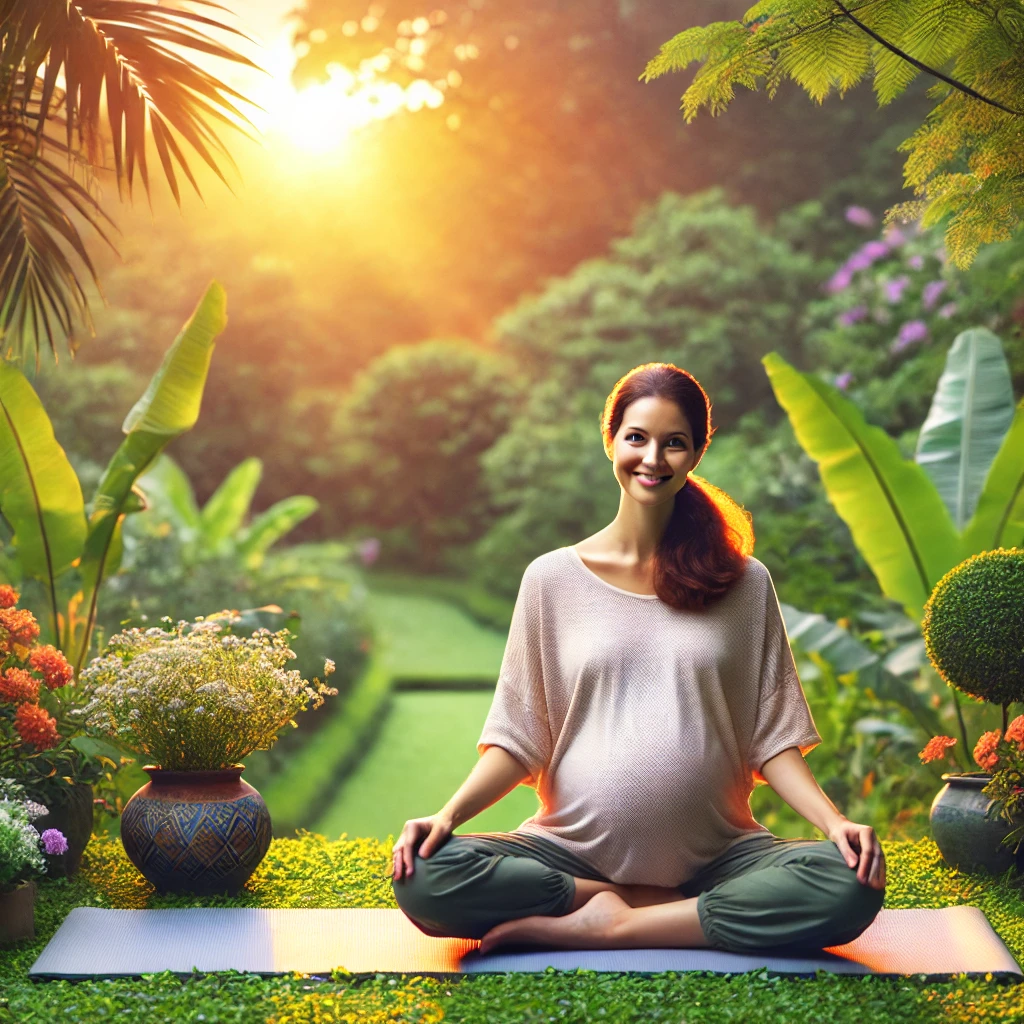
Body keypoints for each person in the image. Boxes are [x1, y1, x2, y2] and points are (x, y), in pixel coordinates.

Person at [390, 361, 887, 955]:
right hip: (567, 854)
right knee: (427, 877)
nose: (653, 458)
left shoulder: (743, 583)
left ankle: (616, 923)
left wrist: (836, 826)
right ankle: (615, 903)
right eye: (637, 438)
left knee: (846, 886)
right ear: (610, 440)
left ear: (697, 452)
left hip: (722, 859)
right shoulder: (551, 579)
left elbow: (772, 739)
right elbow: (519, 738)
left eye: (674, 442)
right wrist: (447, 816)